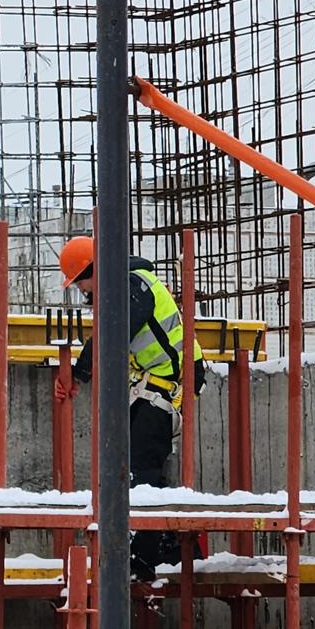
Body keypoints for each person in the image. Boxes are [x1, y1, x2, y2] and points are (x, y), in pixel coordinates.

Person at [52, 235, 201, 584]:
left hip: (170, 384)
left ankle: (143, 559)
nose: (82, 292)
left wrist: (80, 371)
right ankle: (168, 547)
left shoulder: (132, 284)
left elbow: (114, 330)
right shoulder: (126, 284)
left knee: (142, 469)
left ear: (91, 270)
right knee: (135, 465)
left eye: (80, 283)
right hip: (155, 384)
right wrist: (79, 372)